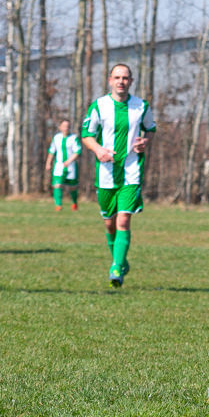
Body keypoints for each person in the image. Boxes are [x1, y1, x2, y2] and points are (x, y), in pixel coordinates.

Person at [81, 63, 156, 287]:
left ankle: (116, 267)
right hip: (105, 174)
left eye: (125, 78)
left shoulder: (141, 106)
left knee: (124, 218)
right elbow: (86, 135)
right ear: (109, 80)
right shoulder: (98, 106)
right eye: (117, 77)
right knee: (109, 223)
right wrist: (99, 150)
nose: (121, 81)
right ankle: (120, 259)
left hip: (131, 172)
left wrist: (145, 141)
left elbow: (150, 129)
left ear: (131, 81)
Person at [45, 119, 82, 211]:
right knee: (57, 184)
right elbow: (52, 151)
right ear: (60, 127)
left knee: (72, 187)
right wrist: (48, 163)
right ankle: (58, 205)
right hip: (59, 166)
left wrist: (69, 161)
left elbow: (77, 151)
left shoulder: (73, 138)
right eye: (64, 126)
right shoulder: (56, 138)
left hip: (71, 167)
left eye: (68, 126)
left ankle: (74, 203)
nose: (66, 128)